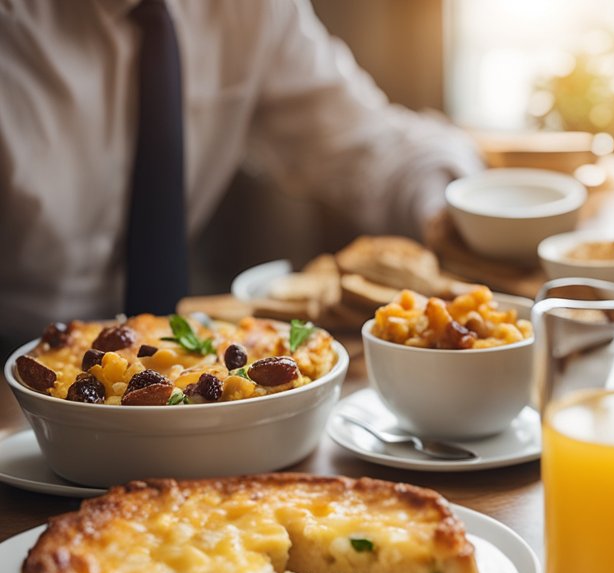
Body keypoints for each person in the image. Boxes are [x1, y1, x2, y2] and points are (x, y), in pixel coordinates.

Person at [0, 0, 483, 346]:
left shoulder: (253, 10)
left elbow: (366, 144)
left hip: (175, 358)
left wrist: (453, 210)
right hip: (15, 356)